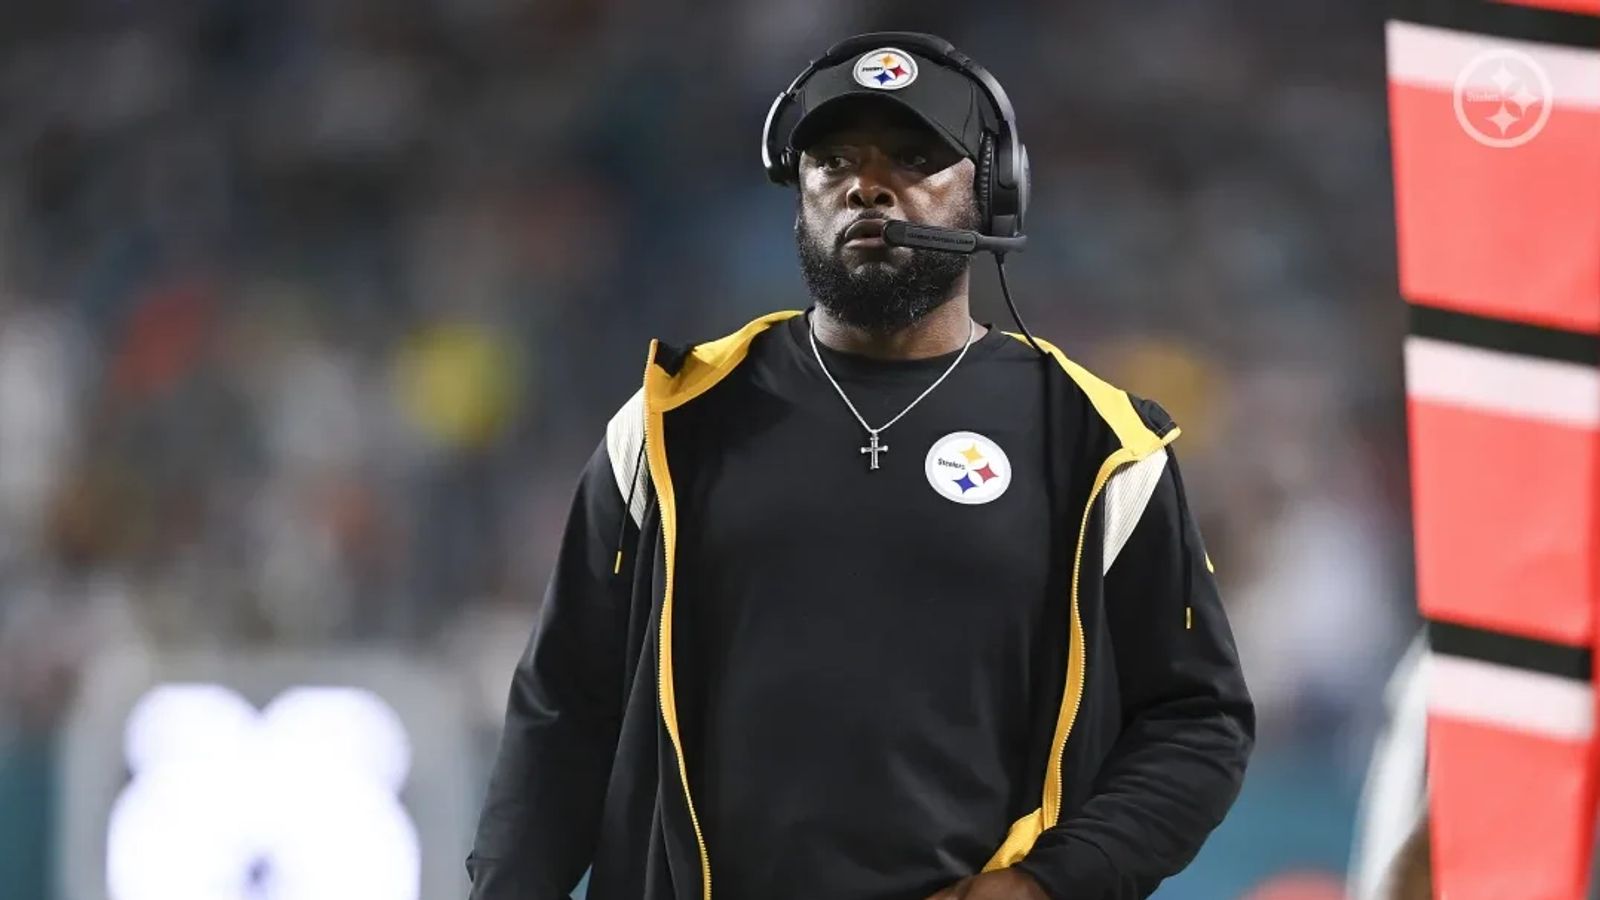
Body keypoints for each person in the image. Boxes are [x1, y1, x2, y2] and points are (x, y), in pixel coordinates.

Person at [467, 32, 1253, 900]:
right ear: (797, 192)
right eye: (833, 159)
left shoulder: (1098, 444)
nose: (866, 185)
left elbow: (1197, 721)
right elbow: (564, 708)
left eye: (916, 158)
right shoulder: (673, 421)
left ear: (993, 193)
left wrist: (1049, 885)